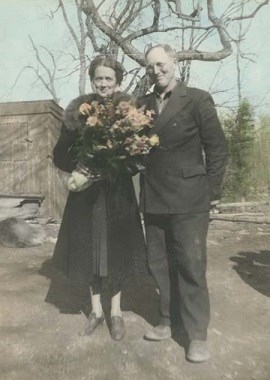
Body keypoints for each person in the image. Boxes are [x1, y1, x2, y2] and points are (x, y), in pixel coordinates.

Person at [137, 44, 228, 362]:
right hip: (154, 196)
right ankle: (167, 320)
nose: (156, 70)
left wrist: (212, 193)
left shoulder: (198, 99)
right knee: (159, 263)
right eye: (150, 66)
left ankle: (196, 335)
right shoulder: (142, 104)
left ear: (174, 63)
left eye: (161, 64)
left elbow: (217, 148)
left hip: (190, 198)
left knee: (190, 265)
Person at [51, 55, 147, 341]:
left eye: (109, 78)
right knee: (91, 250)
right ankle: (96, 311)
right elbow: (59, 154)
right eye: (98, 78)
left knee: (115, 249)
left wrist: (117, 161)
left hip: (117, 194)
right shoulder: (77, 110)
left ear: (118, 80)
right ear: (92, 79)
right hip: (87, 196)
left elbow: (138, 154)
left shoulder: (130, 111)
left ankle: (115, 312)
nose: (103, 83)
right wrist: (79, 165)